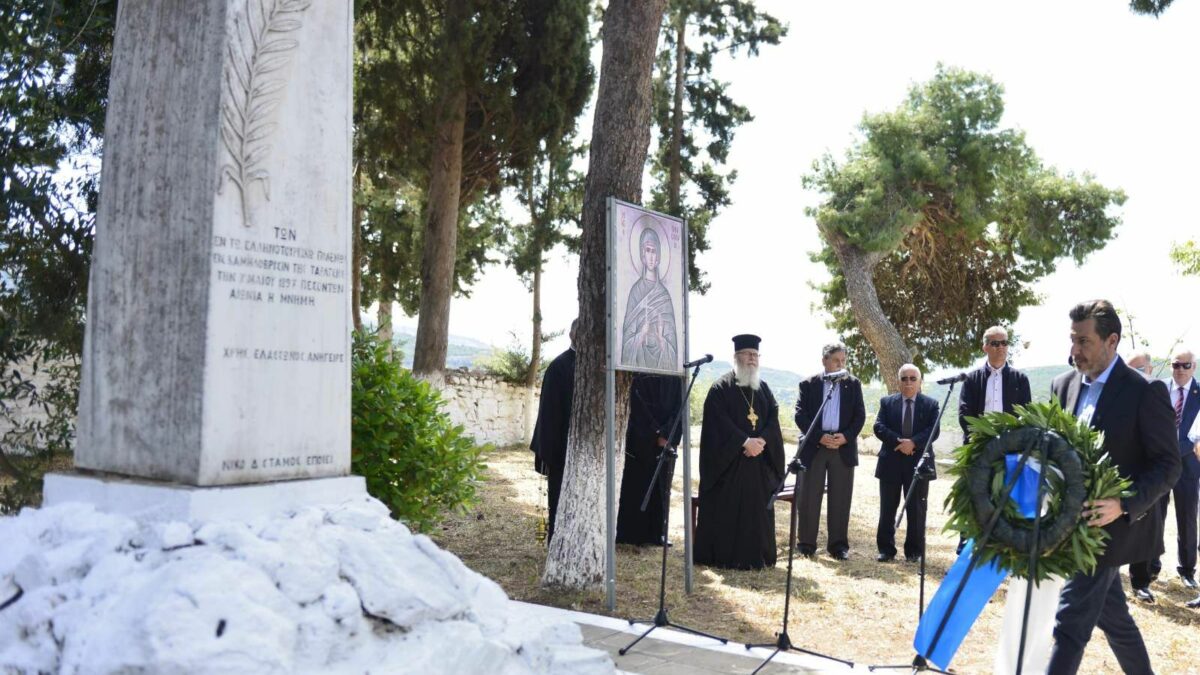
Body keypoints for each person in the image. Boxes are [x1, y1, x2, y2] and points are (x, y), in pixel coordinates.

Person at [1046, 300, 1180, 675]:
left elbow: (1168, 464)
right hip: (1072, 525)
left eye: (1084, 342)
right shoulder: (1062, 385)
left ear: (1112, 341)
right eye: (1073, 340)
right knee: (1114, 617)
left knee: (1070, 622)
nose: (1075, 350)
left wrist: (1123, 503)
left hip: (1113, 528)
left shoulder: (1145, 391)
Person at [694, 334, 785, 569]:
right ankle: (726, 558)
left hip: (758, 464)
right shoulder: (720, 388)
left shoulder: (763, 388)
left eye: (755, 355)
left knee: (757, 512)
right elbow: (717, 423)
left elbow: (773, 417)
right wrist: (744, 442)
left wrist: (762, 440)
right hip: (729, 465)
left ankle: (759, 556)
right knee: (729, 510)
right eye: (747, 354)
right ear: (736, 357)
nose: (752, 359)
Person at [1129, 348, 1200, 599]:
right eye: (1176, 364)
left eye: (1185, 365)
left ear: (1194, 367)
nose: (1180, 369)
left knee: (1187, 518)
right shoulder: (1157, 389)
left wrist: (1175, 451)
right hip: (1158, 468)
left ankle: (1187, 570)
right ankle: (1150, 566)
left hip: (1188, 466)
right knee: (1153, 517)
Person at [793, 343, 866, 560]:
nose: (840, 365)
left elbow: (860, 416)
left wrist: (845, 437)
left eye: (843, 361)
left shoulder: (853, 384)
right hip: (815, 447)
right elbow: (800, 415)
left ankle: (838, 546)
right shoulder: (808, 384)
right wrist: (819, 436)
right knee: (808, 497)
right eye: (836, 360)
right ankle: (806, 544)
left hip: (842, 448)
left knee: (840, 499)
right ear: (824, 360)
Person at [872, 364, 940, 563]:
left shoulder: (931, 404)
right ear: (898, 381)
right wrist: (899, 442)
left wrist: (913, 443)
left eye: (913, 378)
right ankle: (886, 550)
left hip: (919, 463)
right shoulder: (887, 403)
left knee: (917, 510)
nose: (908, 382)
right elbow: (878, 427)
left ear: (920, 382)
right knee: (887, 508)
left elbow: (933, 430)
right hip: (891, 462)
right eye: (904, 378)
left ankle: (914, 552)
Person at [616, 373, 684, 546]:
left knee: (662, 487)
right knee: (635, 483)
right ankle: (629, 533)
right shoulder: (635, 372)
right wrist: (650, 434)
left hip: (665, 441)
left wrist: (667, 434)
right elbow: (630, 404)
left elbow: (680, 406)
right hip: (638, 440)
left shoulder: (675, 375)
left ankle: (658, 532)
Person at [529, 320, 578, 544]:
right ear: (572, 335)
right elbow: (549, 413)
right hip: (560, 448)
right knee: (559, 499)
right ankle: (557, 542)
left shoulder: (590, 366)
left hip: (581, 449)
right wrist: (549, 454)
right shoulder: (559, 366)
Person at [620, 226, 677, 371]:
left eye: (654, 251)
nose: (651, 256)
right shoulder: (635, 291)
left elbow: (673, 347)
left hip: (662, 370)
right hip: (637, 365)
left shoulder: (664, 295)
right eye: (648, 250)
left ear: (658, 257)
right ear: (642, 255)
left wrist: (661, 340)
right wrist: (641, 335)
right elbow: (626, 340)